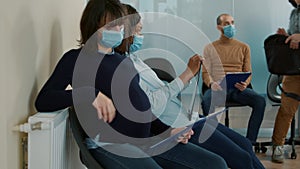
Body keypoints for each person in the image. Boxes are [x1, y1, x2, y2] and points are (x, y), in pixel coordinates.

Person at [35, 0, 227, 168]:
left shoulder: (122, 61)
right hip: (113, 146)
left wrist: (169, 131)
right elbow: (43, 101)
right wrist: (89, 93)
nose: (118, 31)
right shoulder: (75, 59)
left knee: (215, 163)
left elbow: (142, 108)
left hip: (146, 141)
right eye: (110, 26)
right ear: (93, 27)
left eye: (120, 26)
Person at [115, 5, 265, 169]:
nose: (140, 37)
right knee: (240, 158)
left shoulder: (134, 59)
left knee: (244, 144)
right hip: (179, 125)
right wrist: (188, 74)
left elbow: (159, 95)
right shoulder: (122, 67)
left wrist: (184, 79)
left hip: (188, 117)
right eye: (138, 32)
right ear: (125, 33)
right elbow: (150, 105)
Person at [201, 13, 266, 145]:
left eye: (232, 23)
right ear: (219, 27)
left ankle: (249, 143)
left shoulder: (244, 47)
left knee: (260, 101)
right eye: (226, 23)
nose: (230, 26)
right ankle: (216, 142)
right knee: (206, 101)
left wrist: (245, 83)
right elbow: (205, 73)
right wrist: (211, 83)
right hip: (218, 89)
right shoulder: (210, 48)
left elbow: (248, 71)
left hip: (238, 89)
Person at [271, 0, 300, 163]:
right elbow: (293, 40)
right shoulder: (294, 12)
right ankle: (277, 146)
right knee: (286, 109)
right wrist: (287, 37)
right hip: (294, 68)